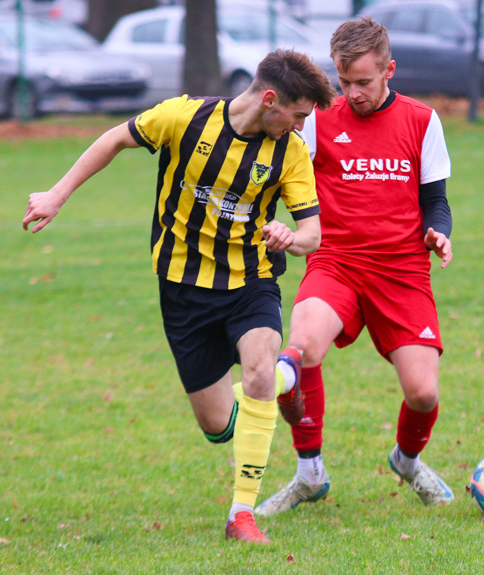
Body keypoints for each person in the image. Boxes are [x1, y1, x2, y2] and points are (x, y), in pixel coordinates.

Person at [21, 50, 337, 544]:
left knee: (255, 368)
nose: (300, 127)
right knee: (218, 426)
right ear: (270, 99)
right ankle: (285, 381)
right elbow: (114, 139)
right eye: (297, 115)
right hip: (183, 290)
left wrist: (287, 236)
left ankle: (241, 514)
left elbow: (312, 233)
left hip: (250, 280)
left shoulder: (290, 151)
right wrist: (58, 194)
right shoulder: (183, 117)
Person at [253, 17, 455, 516]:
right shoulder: (320, 120)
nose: (353, 93)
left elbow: (436, 200)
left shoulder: (422, 120)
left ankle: (407, 462)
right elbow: (288, 185)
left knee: (424, 393)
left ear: (389, 69)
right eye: (345, 83)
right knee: (300, 350)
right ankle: (309, 473)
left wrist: (439, 231)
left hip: (402, 269)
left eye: (363, 82)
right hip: (336, 261)